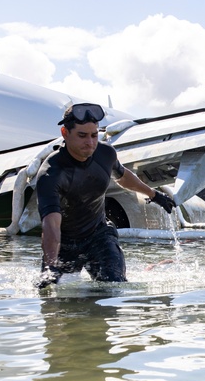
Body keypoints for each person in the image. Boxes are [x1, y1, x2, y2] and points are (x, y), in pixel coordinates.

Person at [34, 102, 176, 288]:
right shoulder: (50, 174)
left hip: (99, 235)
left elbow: (123, 176)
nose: (90, 142)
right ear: (65, 133)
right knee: (50, 294)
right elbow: (51, 224)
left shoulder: (105, 153)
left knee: (114, 287)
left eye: (94, 135)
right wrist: (50, 266)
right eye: (82, 136)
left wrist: (154, 194)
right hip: (64, 244)